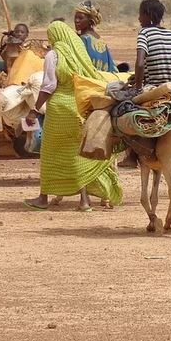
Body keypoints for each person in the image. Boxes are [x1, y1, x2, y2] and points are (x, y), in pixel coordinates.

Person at [23, 20, 123, 212]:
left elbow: (49, 86)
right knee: (77, 153)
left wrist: (35, 109)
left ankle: (43, 198)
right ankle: (84, 201)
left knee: (50, 153)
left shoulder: (53, 55)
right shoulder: (77, 52)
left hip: (59, 110)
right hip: (78, 107)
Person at [134, 0, 171, 89]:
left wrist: (138, 89)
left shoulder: (144, 33)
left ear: (148, 15)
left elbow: (140, 64)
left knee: (113, 87)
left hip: (154, 86)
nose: (139, 18)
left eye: (141, 14)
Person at [74, 0, 117, 72]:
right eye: (75, 17)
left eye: (81, 18)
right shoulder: (99, 38)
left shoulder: (83, 39)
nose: (76, 21)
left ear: (90, 21)